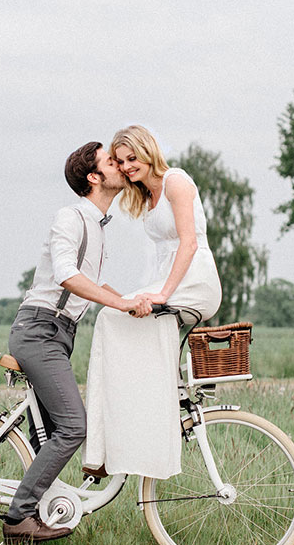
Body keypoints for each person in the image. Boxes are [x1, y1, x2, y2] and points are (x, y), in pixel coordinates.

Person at [1, 141, 151, 545]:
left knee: (50, 433)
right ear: (94, 177)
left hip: (58, 333)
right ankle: (18, 519)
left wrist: (139, 302)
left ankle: (39, 506)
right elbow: (68, 275)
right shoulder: (70, 217)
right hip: (39, 330)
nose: (122, 165)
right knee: (73, 425)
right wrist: (118, 301)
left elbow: (92, 286)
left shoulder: (99, 226)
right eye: (112, 162)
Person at [82, 125, 222, 480]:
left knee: (114, 319)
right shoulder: (145, 196)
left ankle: (136, 434)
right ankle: (105, 444)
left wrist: (160, 294)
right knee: (109, 316)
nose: (128, 167)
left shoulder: (175, 181)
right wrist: (137, 292)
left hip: (194, 280)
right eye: (121, 161)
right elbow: (161, 254)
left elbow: (188, 244)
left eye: (132, 158)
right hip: (168, 279)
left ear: (148, 152)